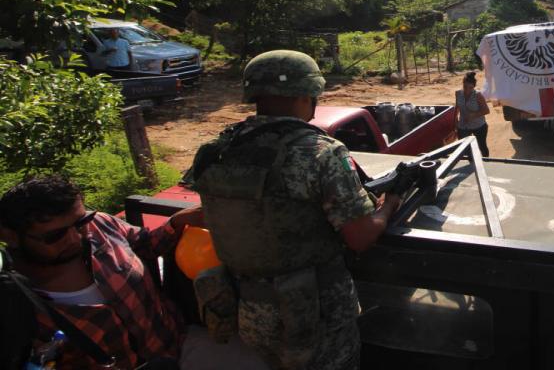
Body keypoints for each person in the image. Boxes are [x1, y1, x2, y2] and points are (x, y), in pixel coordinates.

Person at [186, 50, 401, 370]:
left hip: (250, 310)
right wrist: (390, 205)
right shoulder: (320, 152)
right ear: (305, 95)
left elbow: (220, 210)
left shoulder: (219, 149)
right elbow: (359, 237)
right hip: (316, 312)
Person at [0, 175, 204, 368]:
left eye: (80, 223)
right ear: (10, 236)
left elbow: (145, 243)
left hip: (179, 345)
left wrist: (177, 222)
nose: (75, 238)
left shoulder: (100, 225)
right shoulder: (14, 301)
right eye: (55, 235)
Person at [455, 71, 490, 156]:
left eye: (470, 87)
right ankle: (470, 165)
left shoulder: (478, 95)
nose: (467, 90)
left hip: (479, 126)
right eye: (465, 86)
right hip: (463, 126)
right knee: (464, 148)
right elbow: (457, 108)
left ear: (474, 87)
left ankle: (487, 163)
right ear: (463, 84)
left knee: (482, 147)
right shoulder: (458, 93)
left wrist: (473, 115)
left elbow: (486, 110)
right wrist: (455, 123)